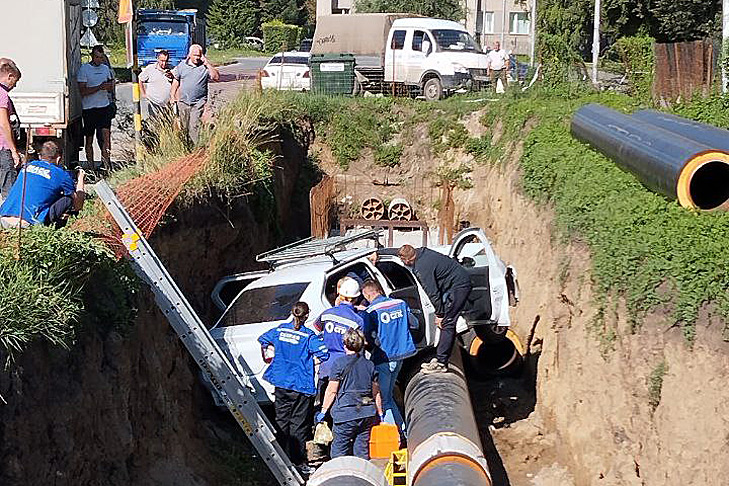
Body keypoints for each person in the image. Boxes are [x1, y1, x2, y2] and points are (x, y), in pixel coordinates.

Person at [370, 245, 472, 373]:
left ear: (406, 261)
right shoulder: (420, 251)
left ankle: (441, 362)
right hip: (453, 282)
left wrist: (440, 314)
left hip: (459, 287)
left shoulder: (422, 269)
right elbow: (397, 251)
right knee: (446, 321)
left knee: (447, 323)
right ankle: (441, 357)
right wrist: (378, 252)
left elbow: (433, 293)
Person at [258, 302, 329, 476]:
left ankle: (280, 459)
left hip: (281, 382)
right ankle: (298, 462)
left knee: (281, 421)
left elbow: (263, 339)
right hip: (300, 385)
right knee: (298, 425)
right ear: (306, 316)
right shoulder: (309, 336)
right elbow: (324, 353)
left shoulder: (280, 330)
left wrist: (277, 353)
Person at [316, 328, 383, 460]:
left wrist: (323, 411)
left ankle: (340, 476)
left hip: (345, 415)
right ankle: (361, 475)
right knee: (362, 451)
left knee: (339, 453)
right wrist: (380, 413)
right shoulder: (370, 365)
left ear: (345, 344)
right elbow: (376, 393)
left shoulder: (339, 364)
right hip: (366, 415)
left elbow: (332, 390)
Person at [361, 279, 416, 437]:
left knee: (384, 399)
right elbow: (414, 323)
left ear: (367, 295)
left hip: (384, 357)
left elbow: (368, 336)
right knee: (389, 396)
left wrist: (377, 342)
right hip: (401, 355)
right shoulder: (400, 303)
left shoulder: (370, 311)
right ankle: (402, 430)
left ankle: (396, 435)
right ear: (379, 290)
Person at [0, 141, 85, 229]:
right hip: (26, 224)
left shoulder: (27, 166)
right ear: (59, 158)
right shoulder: (61, 174)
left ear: (40, 156)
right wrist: (81, 179)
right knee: (68, 199)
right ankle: (55, 231)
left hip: (4, 219)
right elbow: (78, 205)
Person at [314, 277, 365, 398]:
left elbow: (317, 327)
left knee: (324, 401)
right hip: (345, 367)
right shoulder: (357, 320)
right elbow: (359, 348)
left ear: (340, 295)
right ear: (356, 298)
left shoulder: (327, 313)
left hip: (326, 365)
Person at [170, 44, 219, 144]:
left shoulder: (204, 68)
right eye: (195, 55)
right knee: (184, 127)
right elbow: (176, 81)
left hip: (198, 103)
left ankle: (197, 149)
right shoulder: (182, 66)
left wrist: (207, 64)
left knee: (194, 125)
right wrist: (172, 95)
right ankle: (186, 147)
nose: (197, 57)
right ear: (189, 55)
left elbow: (216, 77)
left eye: (199, 55)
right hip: (183, 101)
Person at [77, 45, 115, 170]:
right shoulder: (84, 69)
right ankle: (91, 167)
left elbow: (111, 84)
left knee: (106, 138)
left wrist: (109, 87)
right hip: (89, 109)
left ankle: (106, 165)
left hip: (103, 107)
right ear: (92, 56)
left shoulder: (105, 69)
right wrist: (99, 87)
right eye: (97, 57)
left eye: (101, 58)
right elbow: (82, 91)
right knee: (89, 139)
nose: (99, 60)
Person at [0, 58, 22, 206]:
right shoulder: (2, 95)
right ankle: (9, 222)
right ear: (9, 76)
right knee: (8, 189)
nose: (15, 85)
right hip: (3, 147)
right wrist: (13, 150)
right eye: (15, 80)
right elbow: (3, 124)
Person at [139, 50, 173, 119]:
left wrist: (171, 76)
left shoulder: (171, 69)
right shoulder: (150, 68)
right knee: (155, 121)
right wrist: (143, 93)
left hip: (167, 104)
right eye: (162, 61)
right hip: (153, 102)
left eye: (166, 61)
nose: (164, 63)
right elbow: (140, 79)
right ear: (157, 59)